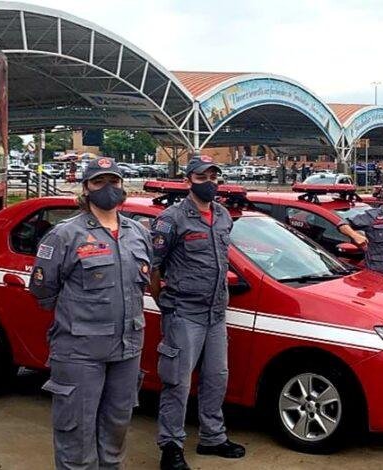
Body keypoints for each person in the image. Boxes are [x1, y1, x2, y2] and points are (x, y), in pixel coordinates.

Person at [29, 157, 153, 469]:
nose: (107, 188)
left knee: (115, 437)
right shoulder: (65, 235)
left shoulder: (138, 233)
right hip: (79, 353)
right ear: (86, 188)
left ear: (123, 186)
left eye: (113, 181)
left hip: (127, 351)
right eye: (99, 182)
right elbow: (43, 290)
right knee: (77, 441)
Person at [150, 155, 245, 470]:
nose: (210, 183)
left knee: (216, 378)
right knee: (177, 382)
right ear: (188, 180)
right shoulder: (172, 219)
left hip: (216, 314)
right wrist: (163, 302)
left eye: (214, 177)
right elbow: (154, 266)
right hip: (184, 313)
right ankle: (170, 447)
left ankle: (212, 438)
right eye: (202, 177)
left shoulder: (222, 215)